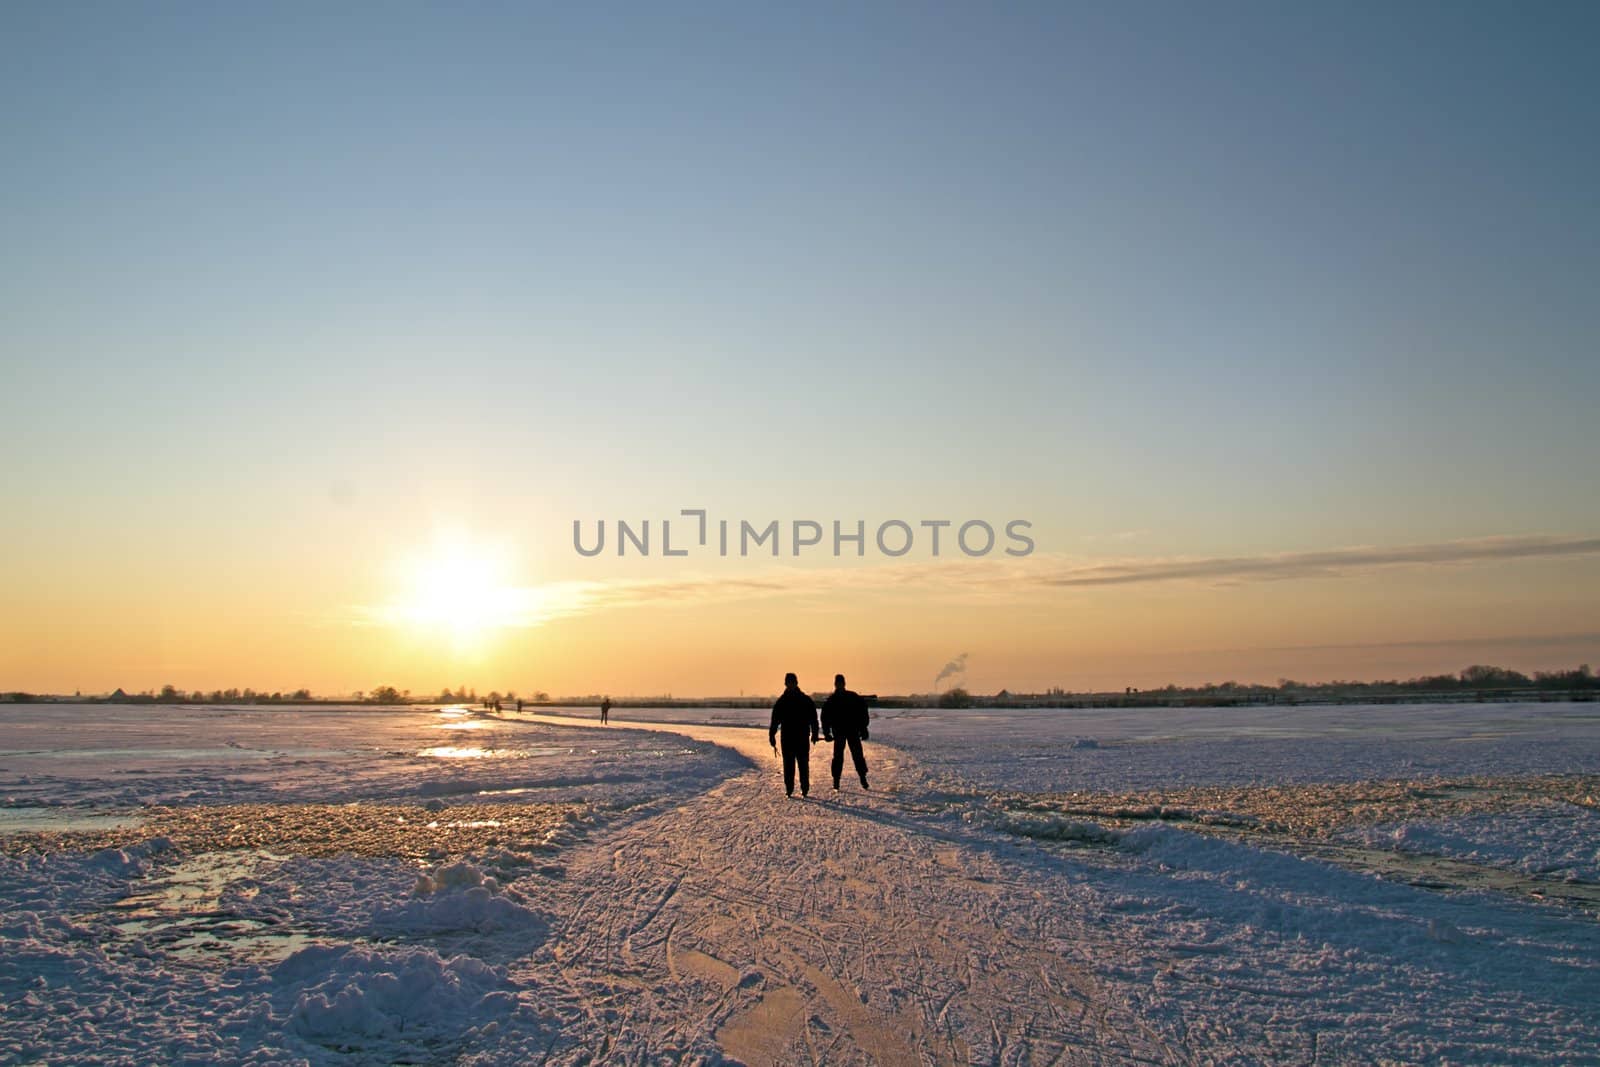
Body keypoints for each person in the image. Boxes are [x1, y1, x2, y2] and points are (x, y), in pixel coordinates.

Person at [769, 672, 820, 797]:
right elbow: (775, 720)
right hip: (787, 738)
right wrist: (772, 735)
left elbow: (813, 719)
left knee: (803, 764)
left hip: (802, 737)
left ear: (796, 683)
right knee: (788, 765)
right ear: (786, 684)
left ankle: (805, 788)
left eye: (792, 682)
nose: (790, 685)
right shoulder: (781, 702)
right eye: (789, 682)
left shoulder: (805, 700)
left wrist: (815, 733)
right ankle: (789, 788)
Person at [820, 674, 870, 791]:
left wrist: (863, 728)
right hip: (840, 733)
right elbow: (825, 718)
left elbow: (863, 712)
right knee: (839, 757)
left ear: (843, 684)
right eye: (838, 683)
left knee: (857, 756)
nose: (840, 685)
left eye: (841, 683)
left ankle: (862, 778)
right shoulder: (833, 700)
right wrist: (827, 733)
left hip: (852, 731)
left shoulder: (852, 697)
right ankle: (836, 780)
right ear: (836, 684)